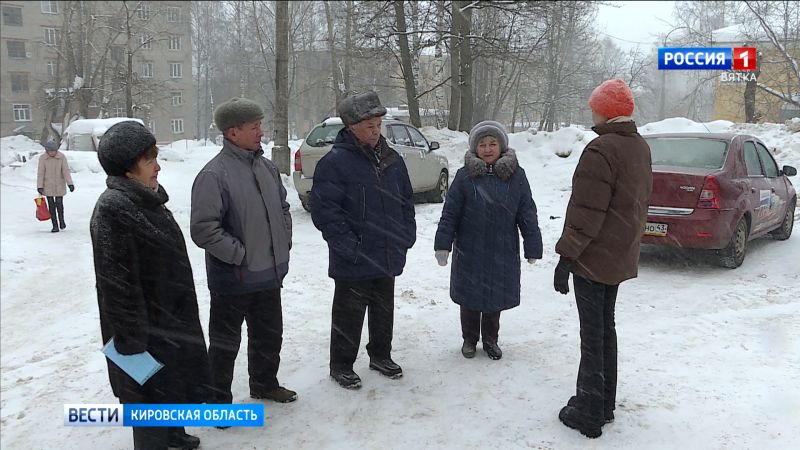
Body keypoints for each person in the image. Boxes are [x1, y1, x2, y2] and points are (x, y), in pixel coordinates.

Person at [90, 121, 211, 450]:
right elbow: (116, 284)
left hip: (167, 322)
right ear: (128, 170)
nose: (158, 166)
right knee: (148, 399)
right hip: (144, 331)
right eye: (149, 160)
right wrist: (131, 344)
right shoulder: (113, 210)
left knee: (171, 385)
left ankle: (174, 433)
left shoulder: (147, 200)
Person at [554, 78, 652, 438]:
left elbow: (586, 211)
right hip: (618, 255)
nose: (591, 110)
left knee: (592, 335)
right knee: (604, 330)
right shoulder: (639, 147)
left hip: (594, 259)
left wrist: (566, 257)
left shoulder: (601, 150)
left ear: (604, 110)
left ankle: (590, 412)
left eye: (594, 105)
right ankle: (604, 402)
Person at [190, 98, 296, 405]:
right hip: (233, 279)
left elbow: (284, 208)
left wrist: (283, 241)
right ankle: (217, 399)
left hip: (268, 274)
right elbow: (203, 228)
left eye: (261, 125)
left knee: (269, 336)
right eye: (254, 126)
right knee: (225, 345)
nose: (261, 131)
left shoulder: (268, 169)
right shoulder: (213, 175)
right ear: (233, 132)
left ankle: (265, 383)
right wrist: (240, 255)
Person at [310, 91, 416, 390]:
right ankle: (341, 365)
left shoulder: (391, 158)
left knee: (384, 310)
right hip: (354, 257)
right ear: (352, 126)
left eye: (378, 123)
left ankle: (381, 355)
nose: (375, 130)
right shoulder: (334, 163)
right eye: (369, 124)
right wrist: (349, 246)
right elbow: (326, 212)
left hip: (387, 250)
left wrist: (405, 235)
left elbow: (406, 200)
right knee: (348, 314)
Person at [434, 121, 543, 360]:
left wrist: (532, 245)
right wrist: (442, 244)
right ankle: (469, 339)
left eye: (492, 143)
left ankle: (491, 340)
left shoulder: (516, 176)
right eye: (482, 144)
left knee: (495, 298)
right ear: (475, 148)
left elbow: (527, 212)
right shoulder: (464, 177)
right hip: (469, 249)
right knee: (470, 298)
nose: (487, 148)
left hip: (502, 249)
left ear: (501, 146)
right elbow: (450, 213)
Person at [37, 141, 74, 232]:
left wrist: (70, 183)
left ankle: (61, 221)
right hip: (48, 186)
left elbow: (66, 171)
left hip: (59, 185)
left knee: (59, 204)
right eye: (50, 151)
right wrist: (40, 186)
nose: (52, 153)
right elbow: (40, 173)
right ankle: (55, 225)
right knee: (51, 206)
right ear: (47, 151)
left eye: (54, 151)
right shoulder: (43, 159)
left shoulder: (61, 157)